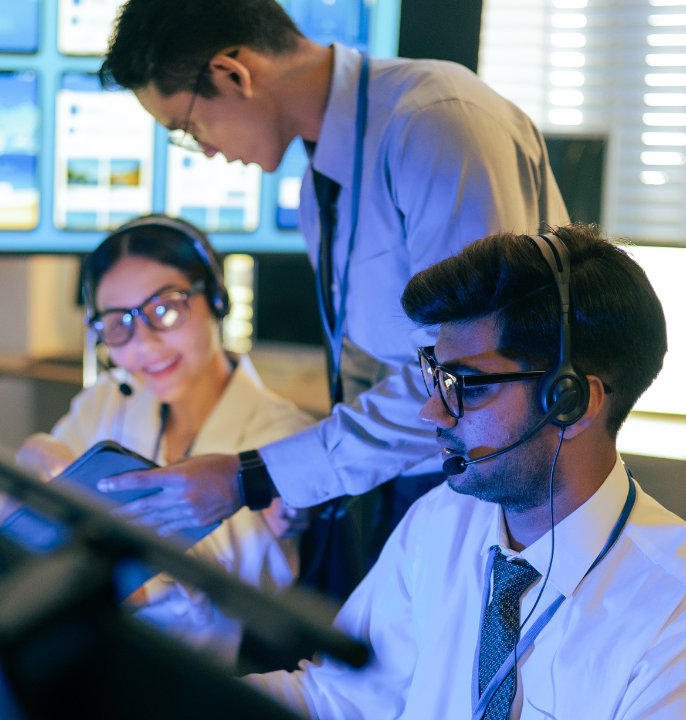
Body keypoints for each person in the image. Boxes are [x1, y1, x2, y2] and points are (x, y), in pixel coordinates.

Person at [95, 0, 571, 595]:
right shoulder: (319, 187)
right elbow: (378, 368)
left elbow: (471, 378)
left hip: (497, 489)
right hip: (411, 483)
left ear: (231, 75)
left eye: (190, 130)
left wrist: (255, 477)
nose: (207, 151)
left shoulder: (437, 121)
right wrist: (299, 484)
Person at [244, 224, 686, 719]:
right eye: (438, 377)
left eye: (468, 384)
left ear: (571, 401)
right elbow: (336, 700)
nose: (434, 412)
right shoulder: (439, 524)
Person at [0, 216, 315, 667]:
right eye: (117, 324)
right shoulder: (110, 400)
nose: (143, 345)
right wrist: (31, 473)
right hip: (54, 655)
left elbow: (205, 574)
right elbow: (16, 520)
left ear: (217, 299)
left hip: (158, 679)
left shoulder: (279, 437)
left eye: (164, 309)